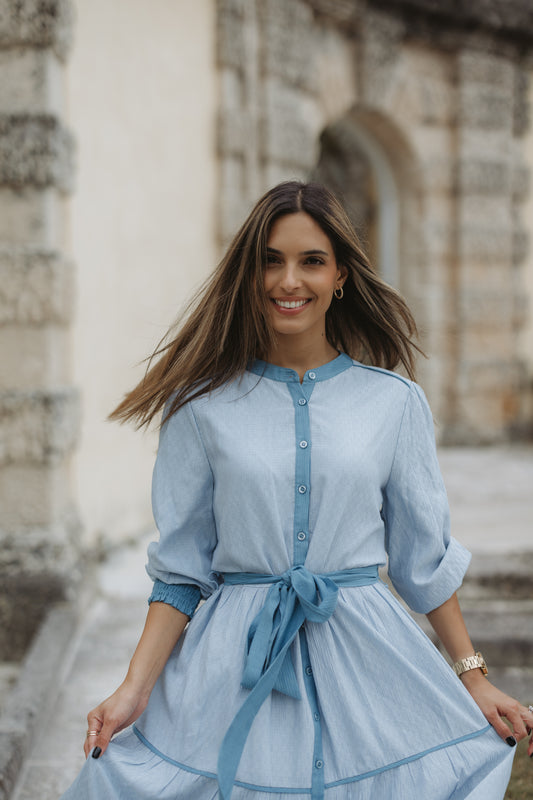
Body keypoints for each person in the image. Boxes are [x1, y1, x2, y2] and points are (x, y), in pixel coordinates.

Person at [60, 181, 532, 800]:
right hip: (232, 665)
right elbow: (180, 570)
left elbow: (423, 561)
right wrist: (134, 688)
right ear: (249, 275)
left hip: (371, 661)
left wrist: (473, 677)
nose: (290, 280)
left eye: (311, 261)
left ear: (340, 276)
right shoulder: (200, 409)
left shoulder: (393, 403)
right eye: (271, 260)